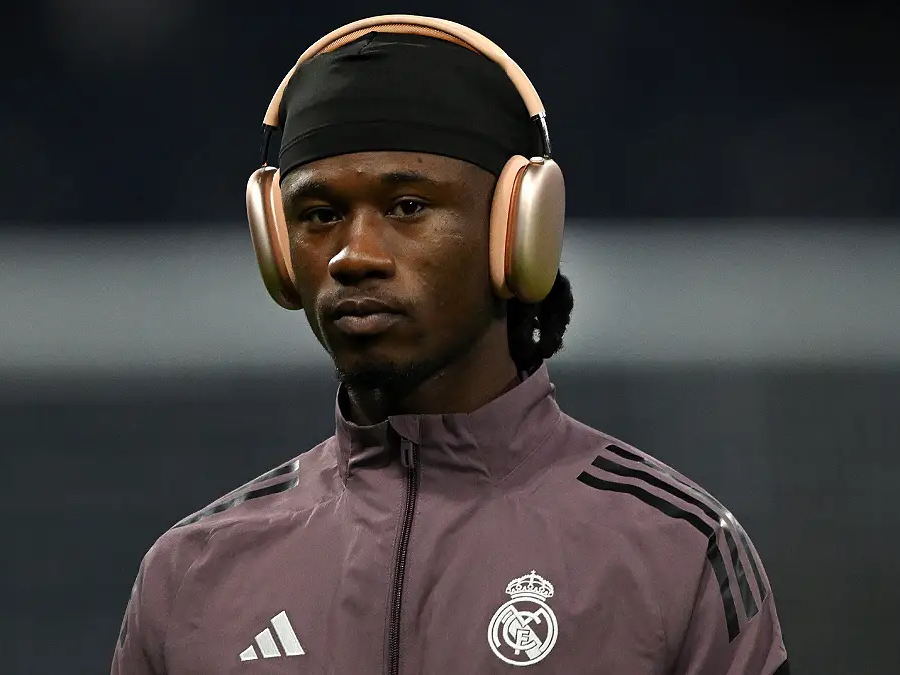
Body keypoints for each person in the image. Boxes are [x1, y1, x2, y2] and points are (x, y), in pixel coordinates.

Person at [111, 15, 789, 675]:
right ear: (279, 253)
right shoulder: (189, 578)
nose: (354, 255)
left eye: (408, 206)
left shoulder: (674, 552)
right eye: (319, 215)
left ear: (517, 231)